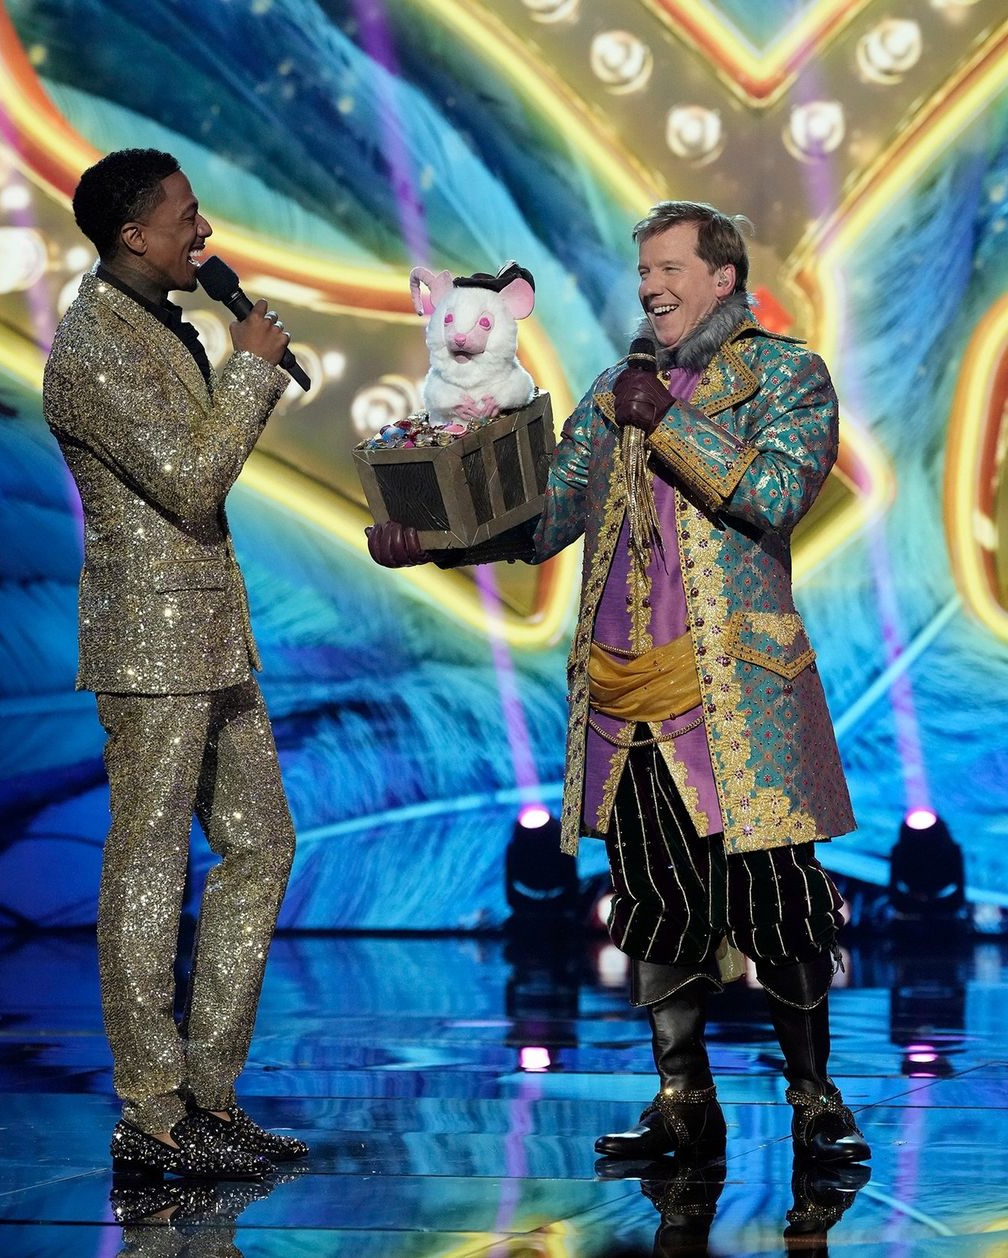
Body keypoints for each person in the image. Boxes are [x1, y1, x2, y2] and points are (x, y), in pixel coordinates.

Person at [368, 201, 870, 1166]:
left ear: (723, 277)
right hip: (627, 692)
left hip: (735, 693)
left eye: (670, 268)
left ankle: (815, 1101)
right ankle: (683, 1103)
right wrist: (432, 539)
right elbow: (545, 516)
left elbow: (776, 493)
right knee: (654, 898)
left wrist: (670, 421)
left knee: (778, 899)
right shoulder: (612, 390)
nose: (651, 287)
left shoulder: (785, 374)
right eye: (644, 271)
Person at [43, 148, 307, 1179]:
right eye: (186, 216)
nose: (204, 233)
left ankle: (209, 1093)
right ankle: (153, 1112)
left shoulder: (161, 323)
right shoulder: (93, 345)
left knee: (263, 842)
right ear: (133, 236)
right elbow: (193, 481)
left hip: (211, 633)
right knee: (149, 861)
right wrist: (253, 370)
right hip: (148, 645)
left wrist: (239, 366)